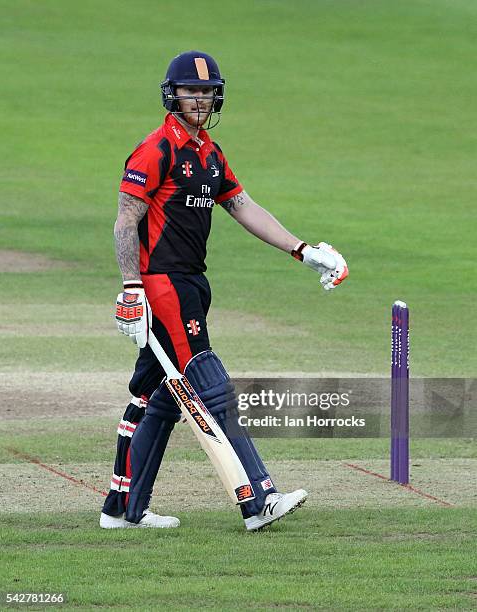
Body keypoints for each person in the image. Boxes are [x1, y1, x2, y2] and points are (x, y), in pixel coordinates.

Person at [100, 51, 348, 531]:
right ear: (172, 95)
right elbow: (125, 221)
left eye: (208, 90)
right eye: (192, 91)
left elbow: (242, 205)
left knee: (160, 398)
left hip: (193, 283)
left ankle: (122, 510)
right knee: (211, 385)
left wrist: (303, 250)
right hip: (163, 284)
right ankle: (260, 499)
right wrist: (132, 288)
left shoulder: (209, 152)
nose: (201, 98)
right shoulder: (156, 149)